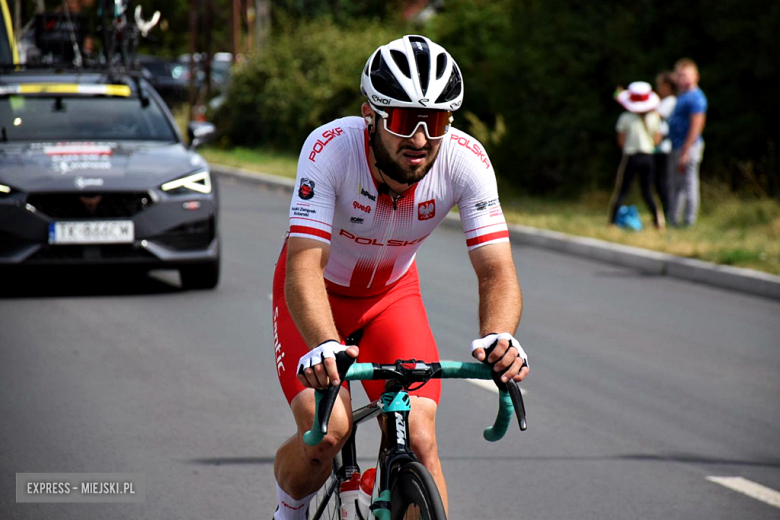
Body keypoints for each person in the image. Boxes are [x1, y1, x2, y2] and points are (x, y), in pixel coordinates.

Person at [270, 35, 529, 520]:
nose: (420, 140)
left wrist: (499, 335)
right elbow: (304, 264)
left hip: (391, 298)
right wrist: (325, 341)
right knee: (328, 433)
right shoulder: (330, 148)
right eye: (406, 121)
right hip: (315, 296)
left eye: (436, 122)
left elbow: (497, 268)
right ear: (370, 114)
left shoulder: (465, 160)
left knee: (422, 440)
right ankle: (289, 508)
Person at [610, 81, 664, 229]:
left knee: (622, 189)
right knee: (648, 191)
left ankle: (612, 222)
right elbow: (657, 139)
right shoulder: (654, 117)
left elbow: (621, 140)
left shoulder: (625, 117)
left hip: (631, 156)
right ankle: (658, 222)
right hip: (648, 156)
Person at [667, 58, 707, 227]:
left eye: (685, 75)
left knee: (689, 184)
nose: (682, 79)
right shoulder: (683, 95)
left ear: (696, 76)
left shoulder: (696, 97)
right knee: (677, 184)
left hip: (688, 146)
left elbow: (697, 124)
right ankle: (674, 220)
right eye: (679, 76)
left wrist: (686, 149)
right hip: (678, 145)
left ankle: (689, 221)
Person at [654, 71, 677, 217]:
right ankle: (665, 213)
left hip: (665, 147)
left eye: (660, 85)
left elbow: (654, 116)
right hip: (660, 148)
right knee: (660, 183)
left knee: (663, 183)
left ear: (667, 86)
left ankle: (669, 213)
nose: (658, 88)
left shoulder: (670, 101)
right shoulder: (665, 101)